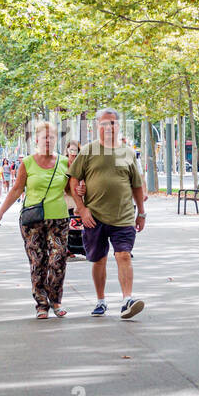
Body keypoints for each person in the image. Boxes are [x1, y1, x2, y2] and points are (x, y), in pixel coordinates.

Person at [68, 108, 146, 319]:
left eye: (112, 123)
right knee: (99, 259)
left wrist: (142, 213)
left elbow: (136, 185)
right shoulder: (88, 151)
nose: (108, 127)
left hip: (123, 216)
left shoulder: (127, 152)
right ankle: (100, 300)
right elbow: (73, 180)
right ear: (96, 127)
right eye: (103, 124)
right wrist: (82, 208)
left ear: (118, 126)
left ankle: (127, 300)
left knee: (123, 255)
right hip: (94, 217)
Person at [0, 122, 70, 318]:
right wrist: (0, 212)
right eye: (44, 137)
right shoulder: (27, 163)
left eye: (51, 137)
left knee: (58, 259)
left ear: (56, 140)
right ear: (36, 140)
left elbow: (70, 189)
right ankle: (42, 304)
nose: (48, 141)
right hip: (32, 221)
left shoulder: (64, 162)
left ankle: (56, 299)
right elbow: (17, 189)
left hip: (59, 219)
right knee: (38, 262)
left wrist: (82, 195)